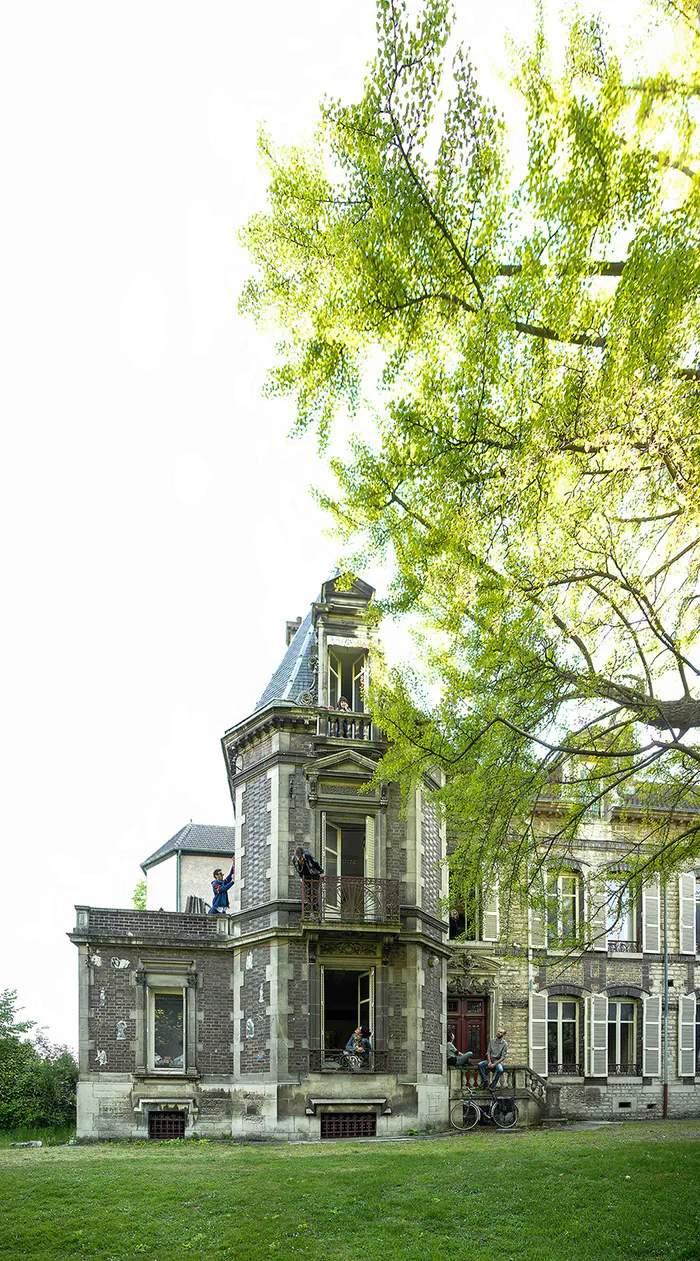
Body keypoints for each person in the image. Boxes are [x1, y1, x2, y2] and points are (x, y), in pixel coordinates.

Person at [292, 845, 324, 918]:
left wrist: (321, 872)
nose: (300, 860)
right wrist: (301, 877)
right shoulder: (294, 859)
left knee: (315, 893)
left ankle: (316, 912)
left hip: (314, 875)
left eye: (301, 858)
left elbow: (316, 864)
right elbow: (298, 869)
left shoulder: (308, 856)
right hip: (305, 876)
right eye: (298, 858)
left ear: (303, 855)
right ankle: (310, 912)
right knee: (308, 893)